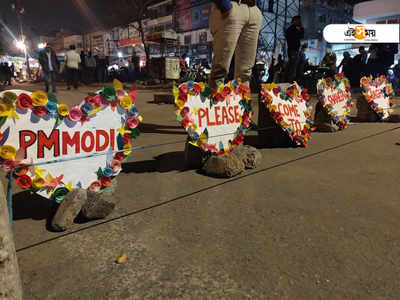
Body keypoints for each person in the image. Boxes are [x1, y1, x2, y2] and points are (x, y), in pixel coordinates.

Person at [208, 0, 263, 90]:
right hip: (232, 6)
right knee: (221, 66)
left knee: (246, 71)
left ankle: (241, 102)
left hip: (253, 9)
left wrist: (258, 8)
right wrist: (224, 5)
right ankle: (215, 101)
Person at [284, 16, 305, 82]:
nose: (300, 22)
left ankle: (291, 80)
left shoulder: (292, 29)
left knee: (294, 66)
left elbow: (301, 36)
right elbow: (300, 36)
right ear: (294, 21)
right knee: (293, 67)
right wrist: (301, 28)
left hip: (294, 50)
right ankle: (290, 81)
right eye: (298, 21)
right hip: (293, 50)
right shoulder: (291, 30)